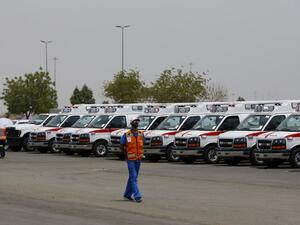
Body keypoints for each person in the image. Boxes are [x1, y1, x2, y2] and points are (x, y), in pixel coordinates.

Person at [120, 116, 144, 203]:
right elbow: (122, 146)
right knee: (133, 177)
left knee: (133, 177)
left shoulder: (141, 134)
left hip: (138, 159)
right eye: (135, 121)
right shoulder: (126, 135)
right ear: (131, 123)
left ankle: (127, 194)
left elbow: (142, 145)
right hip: (130, 159)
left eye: (137, 121)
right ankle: (137, 195)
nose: (136, 122)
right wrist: (126, 155)